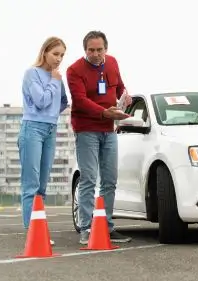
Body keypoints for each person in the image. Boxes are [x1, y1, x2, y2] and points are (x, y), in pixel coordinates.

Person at [66, 30, 133, 245]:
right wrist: (104, 113)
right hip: (87, 129)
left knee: (110, 180)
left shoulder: (112, 62)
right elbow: (80, 100)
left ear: (106, 49)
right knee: (88, 179)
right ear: (85, 50)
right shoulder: (74, 70)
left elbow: (120, 86)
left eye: (99, 50)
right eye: (91, 50)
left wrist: (126, 96)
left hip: (109, 129)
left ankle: (107, 225)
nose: (95, 54)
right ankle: (86, 228)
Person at [18, 36, 69, 246]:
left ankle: (38, 227)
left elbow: (64, 102)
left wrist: (52, 115)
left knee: (42, 184)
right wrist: (54, 83)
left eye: (62, 55)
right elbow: (41, 101)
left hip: (51, 128)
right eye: (55, 54)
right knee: (31, 183)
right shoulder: (32, 74)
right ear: (45, 52)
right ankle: (33, 231)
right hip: (32, 128)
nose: (59, 59)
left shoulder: (58, 78)